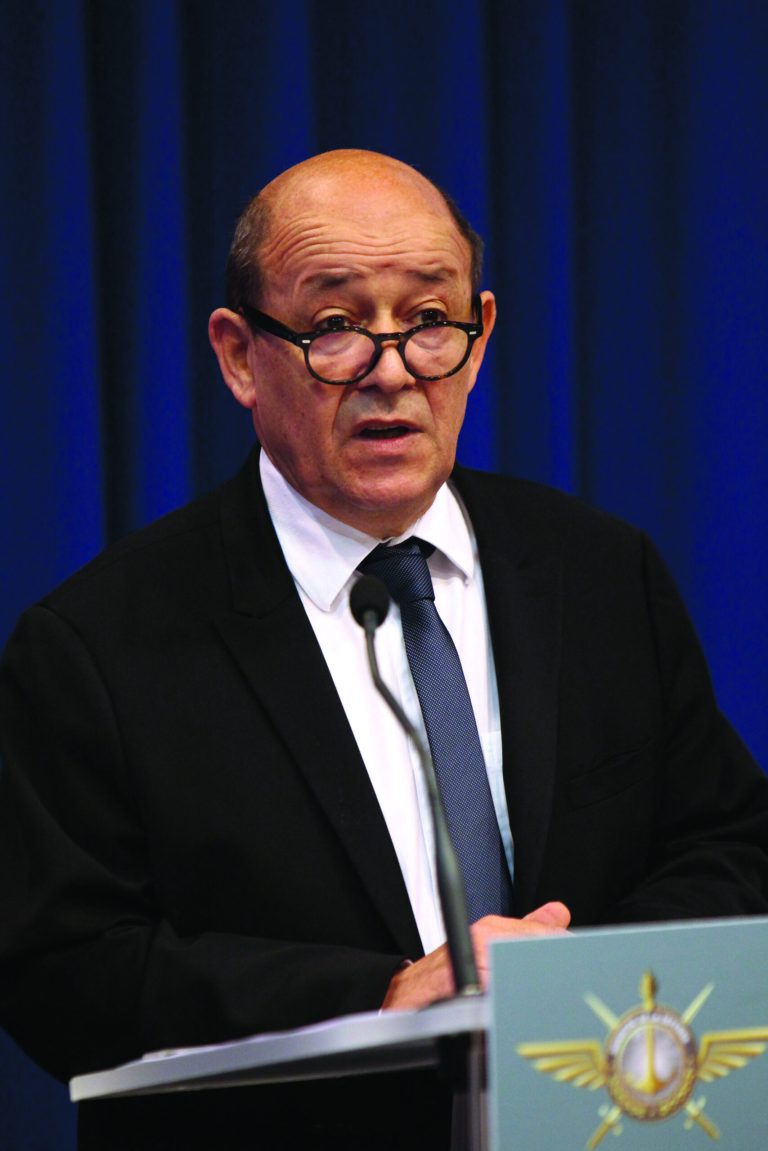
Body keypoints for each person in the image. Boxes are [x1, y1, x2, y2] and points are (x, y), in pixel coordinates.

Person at [1, 149, 766, 1150]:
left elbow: (731, 846)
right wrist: (378, 994)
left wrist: (562, 974)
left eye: (430, 323)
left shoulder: (599, 571)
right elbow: (64, 969)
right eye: (334, 328)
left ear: (479, 337)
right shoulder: (98, 644)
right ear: (238, 354)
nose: (393, 369)